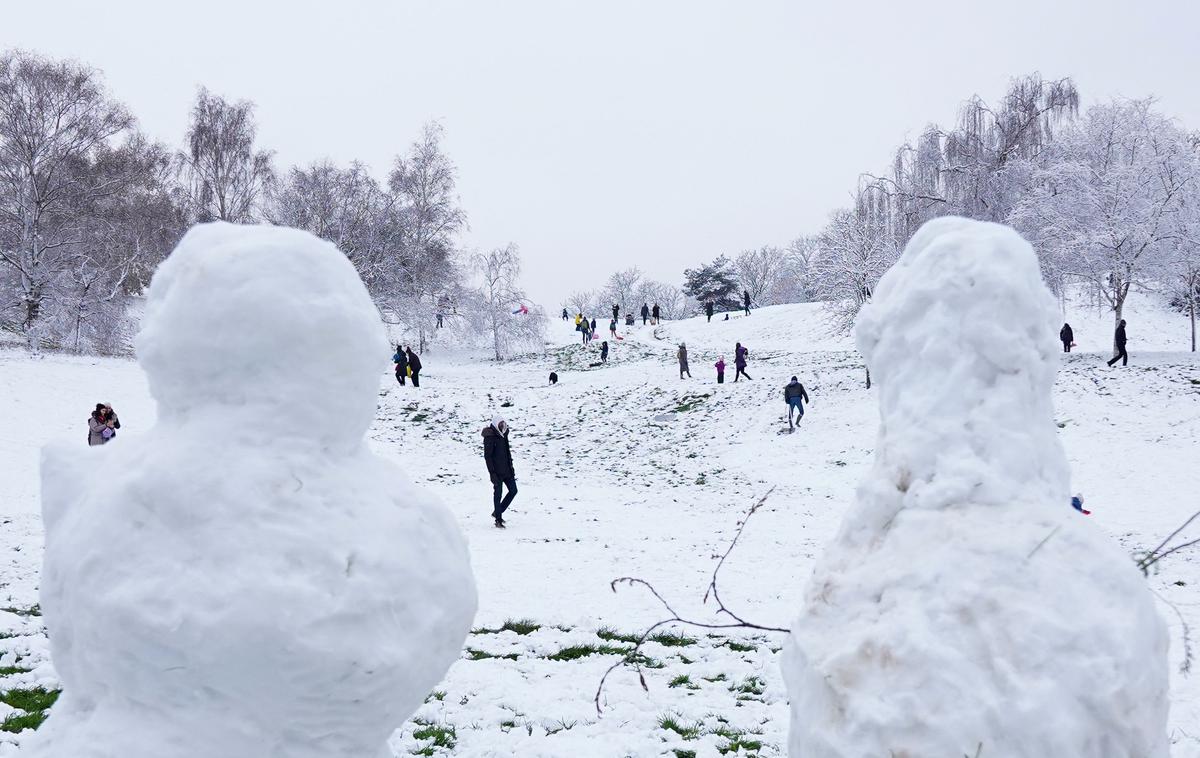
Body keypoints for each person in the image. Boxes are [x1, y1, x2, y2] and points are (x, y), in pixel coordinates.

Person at [482, 417, 517, 528]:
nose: (503, 426)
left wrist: (511, 467)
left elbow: (507, 452)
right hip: (497, 473)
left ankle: (498, 511)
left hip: (507, 471)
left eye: (503, 424)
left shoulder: (504, 435)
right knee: (498, 495)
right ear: (496, 424)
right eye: (500, 424)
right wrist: (492, 473)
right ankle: (498, 519)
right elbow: (488, 457)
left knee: (513, 491)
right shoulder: (490, 437)